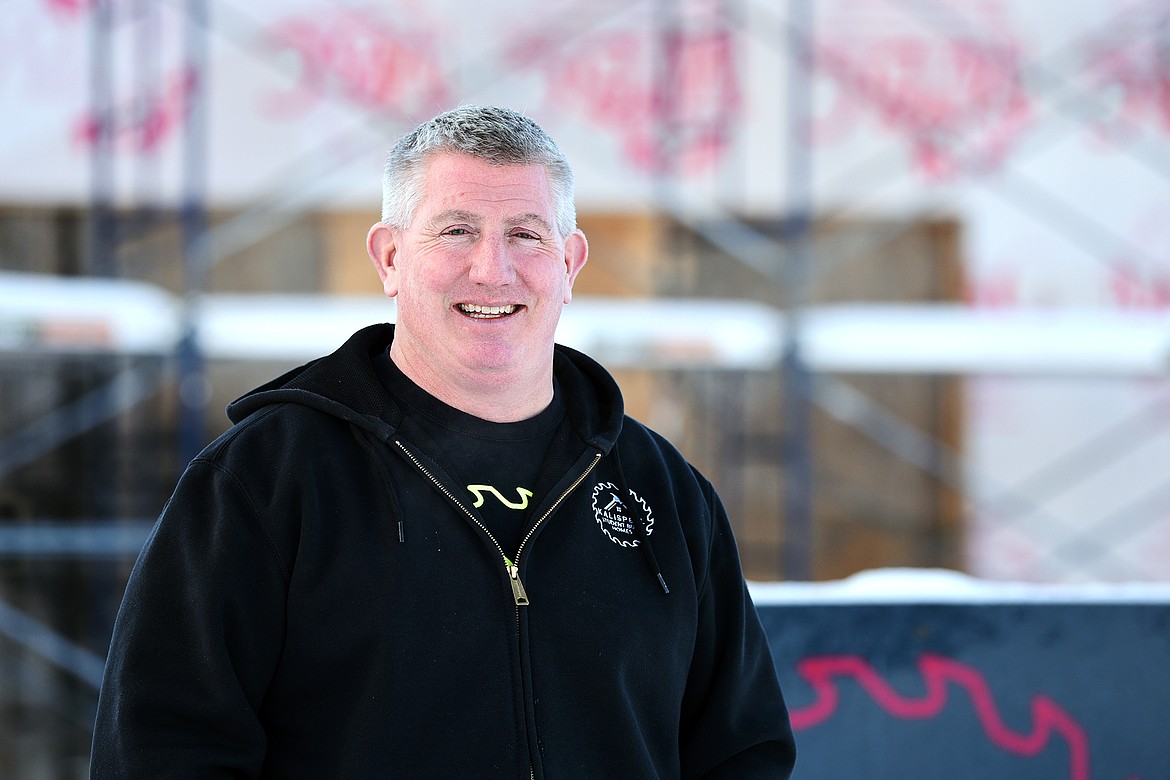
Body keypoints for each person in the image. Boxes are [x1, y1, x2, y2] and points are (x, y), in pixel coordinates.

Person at [90, 105, 796, 778]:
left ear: (571, 264)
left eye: (526, 233)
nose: (493, 269)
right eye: (456, 230)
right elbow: (163, 748)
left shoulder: (663, 492)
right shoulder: (264, 480)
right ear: (390, 257)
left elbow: (742, 753)